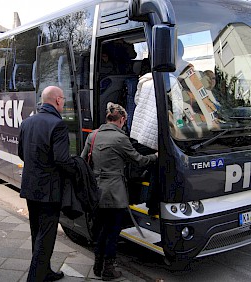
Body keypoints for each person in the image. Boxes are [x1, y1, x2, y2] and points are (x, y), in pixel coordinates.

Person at [81, 102, 157, 280]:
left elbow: (83, 160)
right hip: (114, 193)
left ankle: (97, 265)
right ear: (122, 119)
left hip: (96, 192)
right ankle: (109, 269)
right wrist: (155, 156)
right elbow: (139, 161)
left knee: (100, 230)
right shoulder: (121, 138)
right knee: (112, 231)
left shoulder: (93, 135)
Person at [18, 86, 74, 282]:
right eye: (63, 99)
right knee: (47, 236)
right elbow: (62, 159)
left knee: (37, 232)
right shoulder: (57, 124)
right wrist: (77, 169)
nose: (64, 102)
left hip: (30, 187)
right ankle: (36, 277)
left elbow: (21, 153)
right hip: (50, 190)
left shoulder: (27, 122)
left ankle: (46, 270)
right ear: (58, 100)